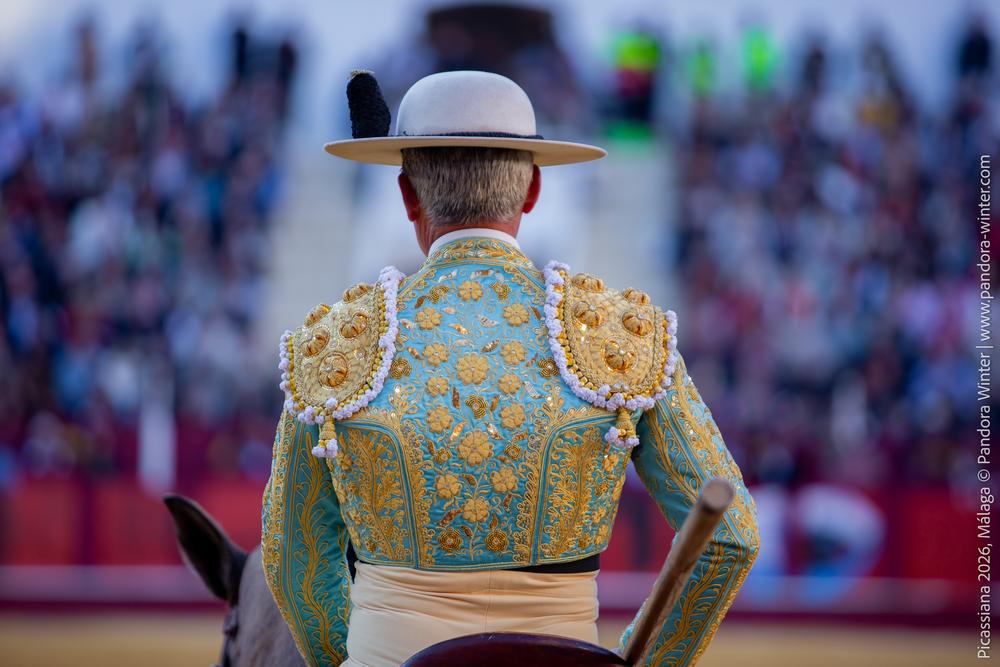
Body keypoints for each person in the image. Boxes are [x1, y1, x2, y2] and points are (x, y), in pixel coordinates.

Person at [261, 70, 759, 667]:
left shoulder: (338, 343)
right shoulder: (616, 333)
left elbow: (294, 556)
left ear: (407, 197)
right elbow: (730, 535)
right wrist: (645, 662)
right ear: (532, 191)